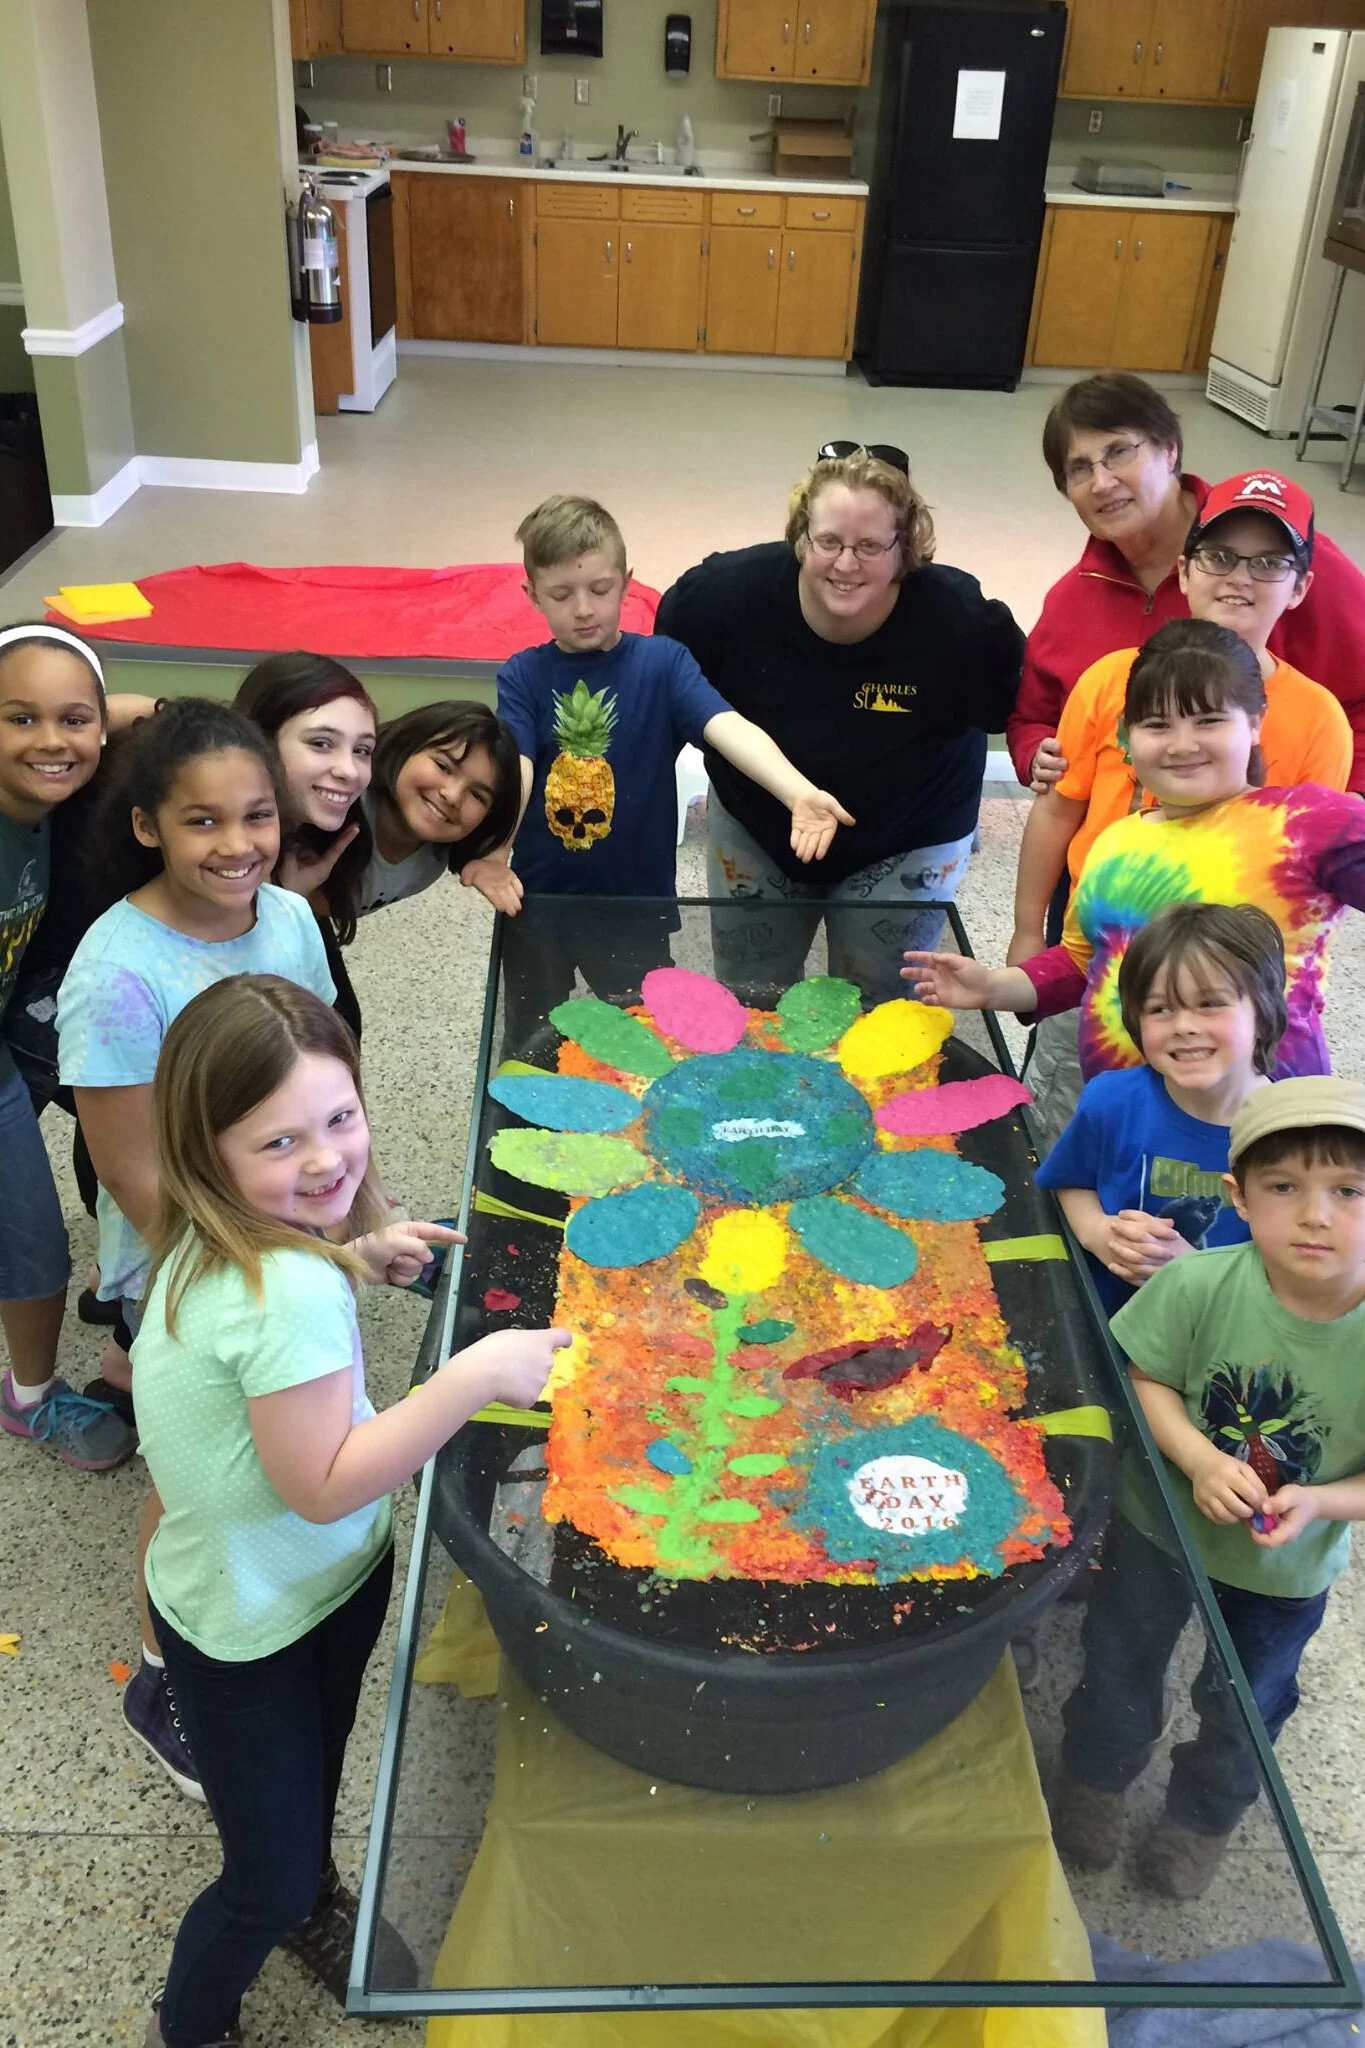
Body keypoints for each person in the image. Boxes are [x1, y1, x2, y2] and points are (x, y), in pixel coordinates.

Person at [132, 974, 566, 2046]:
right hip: (251, 1627)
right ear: (207, 1151)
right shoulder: (282, 1295)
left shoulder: (228, 1238)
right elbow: (322, 1480)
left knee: (306, 1778)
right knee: (260, 1882)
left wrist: (351, 1255)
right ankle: (198, 2015)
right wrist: (471, 1376)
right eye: (279, 1142)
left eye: (340, 1117)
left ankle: (308, 1888)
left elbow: (266, 1354)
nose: (327, 1159)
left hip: (297, 1586)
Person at [55, 698, 337, 1801]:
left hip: (286, 1244)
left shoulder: (290, 918)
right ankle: (162, 1677)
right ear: (147, 827)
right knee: (192, 1481)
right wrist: (275, 1267)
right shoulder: (116, 971)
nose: (237, 845)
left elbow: (322, 1067)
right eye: (202, 821)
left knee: (272, 1454)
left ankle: (267, 1614)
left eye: (256, 815)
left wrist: (349, 1213)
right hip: (188, 1268)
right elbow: (135, 1178)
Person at [1051, 1077, 1365, 1898]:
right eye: (1282, 1187)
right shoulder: (1197, 1284)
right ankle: (1095, 1775)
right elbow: (1147, 1378)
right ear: (1237, 1197)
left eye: (1348, 1191)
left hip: (1283, 1573)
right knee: (1118, 1661)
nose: (1314, 1215)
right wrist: (1195, 1458)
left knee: (1245, 1703)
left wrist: (1320, 1501)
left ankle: (1202, 1817)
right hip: (1156, 1526)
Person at [1010, 471, 1349, 1147]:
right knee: (1072, 1141)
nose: (1239, 578)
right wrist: (1024, 934)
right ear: (1184, 570)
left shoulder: (1318, 722)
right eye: (1219, 556)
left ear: (1300, 587)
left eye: (1268, 562)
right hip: (1102, 963)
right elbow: (1057, 812)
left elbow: (1321, 884)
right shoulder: (1108, 681)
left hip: (1240, 1039)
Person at [459, 493, 853, 1039]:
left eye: (600, 589)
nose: (583, 609)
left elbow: (726, 726)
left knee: (644, 1037)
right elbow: (518, 765)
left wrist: (796, 791)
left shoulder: (663, 663)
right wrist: (494, 851)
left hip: (636, 906)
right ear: (532, 595)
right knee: (531, 1033)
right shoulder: (522, 675)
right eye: (561, 594)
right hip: (537, 903)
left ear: (626, 582)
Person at [905, 619, 1365, 1085]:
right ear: (1127, 733)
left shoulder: (1307, 823)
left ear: (1255, 722)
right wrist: (993, 987)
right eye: (1158, 725)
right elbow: (1083, 963)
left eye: (1208, 720)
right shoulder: (1116, 842)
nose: (1182, 745)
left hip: (1261, 1116)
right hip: (1124, 1107)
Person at [653, 443, 1023, 1004]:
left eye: (870, 546)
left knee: (881, 1011)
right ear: (801, 536)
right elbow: (671, 693)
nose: (846, 564)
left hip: (908, 836)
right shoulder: (718, 599)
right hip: (759, 823)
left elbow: (1020, 711)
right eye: (829, 541)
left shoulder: (963, 623)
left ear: (906, 548)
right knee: (752, 1000)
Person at [1008, 375, 1365, 797]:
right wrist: (1036, 754)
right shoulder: (1070, 601)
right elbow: (1032, 719)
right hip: (1116, 832)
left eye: (1119, 451)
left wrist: (1344, 809)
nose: (1101, 483)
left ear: (1170, 449)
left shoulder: (1282, 568)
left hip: (1264, 827)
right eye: (1079, 468)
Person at [0, 623, 135, 1471]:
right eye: (21, 718)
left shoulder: (54, 803)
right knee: (31, 1245)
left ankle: (26, 1394)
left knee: (29, 1239)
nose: (51, 740)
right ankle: (28, 1397)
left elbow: (119, 707)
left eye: (73, 720)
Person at [1036, 904, 1284, 1312]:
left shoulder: (1293, 1134)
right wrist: (1098, 1232)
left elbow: (1304, 1272)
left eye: (1210, 1003)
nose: (1184, 1026)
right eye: (1160, 1009)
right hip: (1104, 1320)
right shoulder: (1110, 1101)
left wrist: (1193, 1272)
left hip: (1217, 1332)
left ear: (1264, 1010)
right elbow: (1071, 1182)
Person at [233, 651, 379, 1039]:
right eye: (321, 743)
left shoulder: (304, 850)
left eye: (362, 750)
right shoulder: (219, 859)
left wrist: (288, 898)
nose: (349, 770)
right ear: (259, 740)